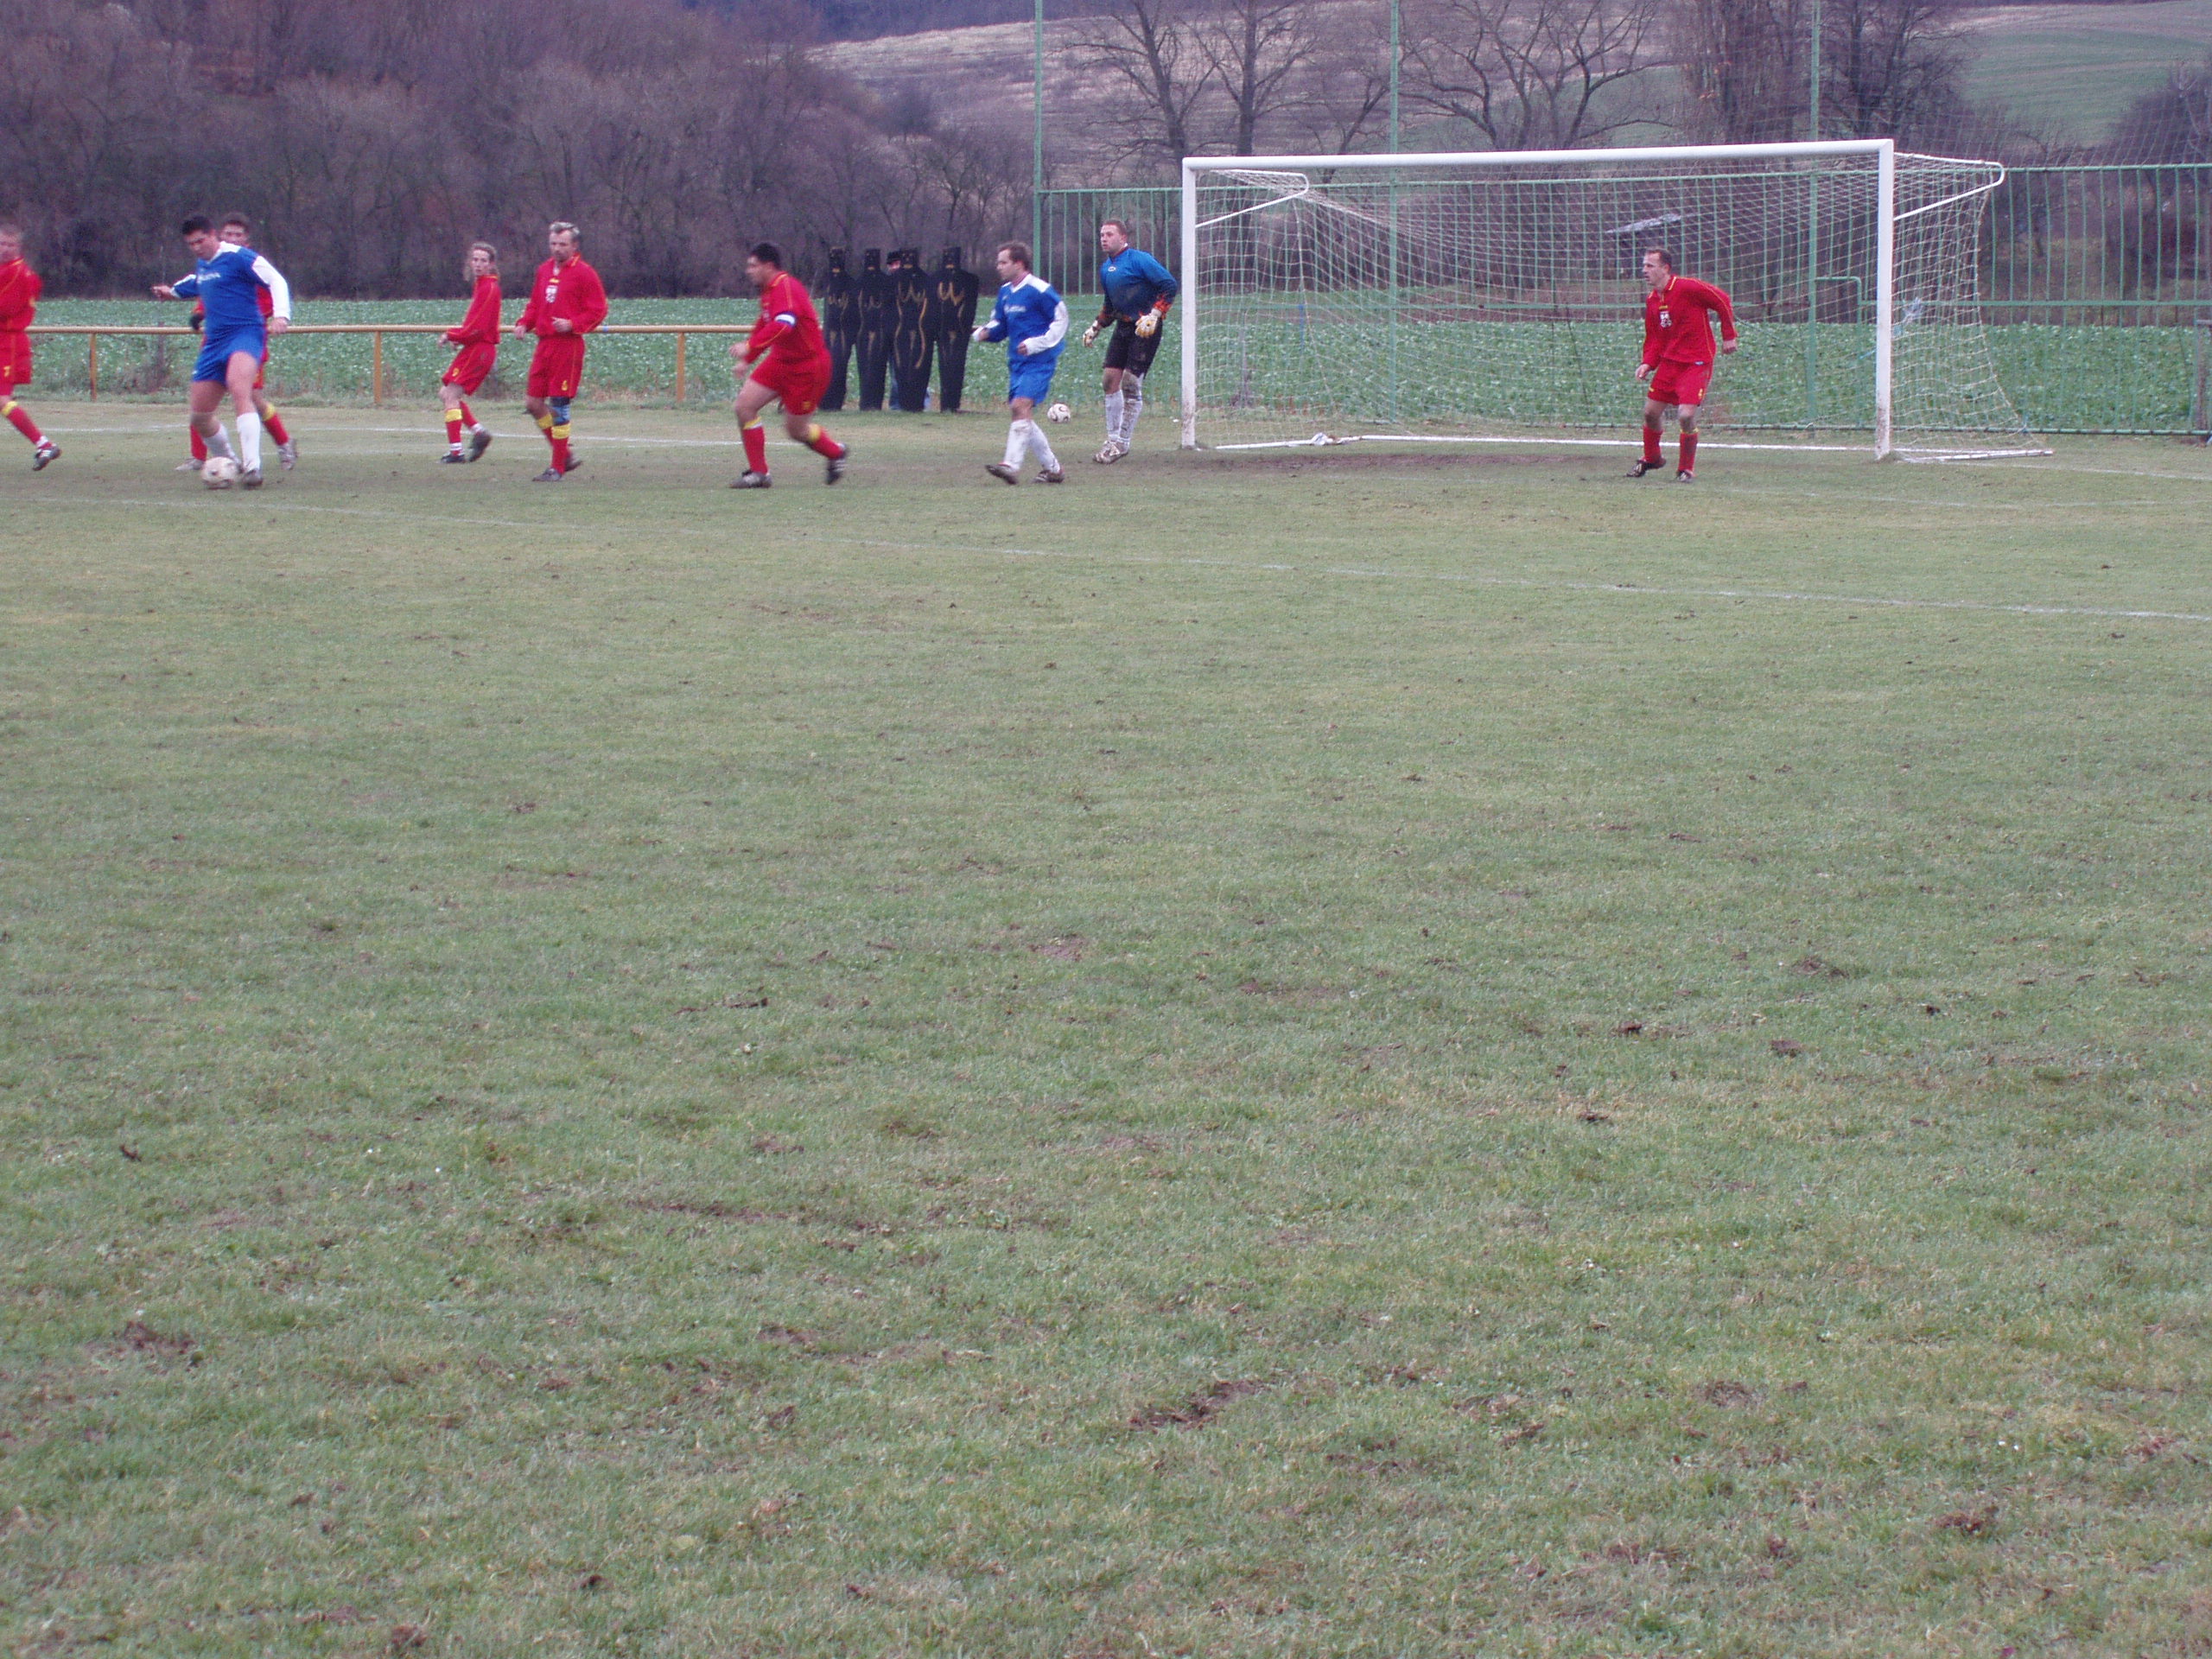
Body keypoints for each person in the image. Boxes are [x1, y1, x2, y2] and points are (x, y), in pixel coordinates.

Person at [153, 214, 291, 487]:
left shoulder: (240, 257)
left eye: (200, 241)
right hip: (214, 343)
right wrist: (172, 292)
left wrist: (281, 316)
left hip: (245, 335)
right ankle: (230, 463)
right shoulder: (204, 264)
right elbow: (196, 282)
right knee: (200, 416)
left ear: (213, 235)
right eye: (191, 243)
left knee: (241, 390)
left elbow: (276, 280)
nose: (196, 247)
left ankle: (253, 467)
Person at [728, 241, 848, 489]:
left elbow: (785, 324)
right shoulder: (768, 290)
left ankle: (836, 452)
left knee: (796, 431)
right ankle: (760, 474)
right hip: (780, 362)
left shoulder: (786, 286)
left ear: (768, 266)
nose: (748, 270)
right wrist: (747, 360)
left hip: (808, 368)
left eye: (753, 266)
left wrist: (750, 347)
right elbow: (766, 324)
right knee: (744, 407)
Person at [512, 221, 607, 482]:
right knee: (533, 403)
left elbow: (598, 310)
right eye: (553, 244)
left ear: (574, 246)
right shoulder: (543, 270)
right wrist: (524, 323)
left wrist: (573, 324)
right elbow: (535, 304)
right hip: (544, 344)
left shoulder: (585, 273)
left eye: (562, 244)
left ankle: (558, 467)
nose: (557, 249)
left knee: (560, 405)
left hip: (568, 346)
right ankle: (563, 453)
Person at [1630, 247, 1736, 482]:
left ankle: (1686, 469)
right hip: (1669, 363)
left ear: (1665, 268)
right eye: (1644, 265)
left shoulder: (1687, 287)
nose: (1644, 271)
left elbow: (1722, 299)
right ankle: (1652, 458)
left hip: (1696, 362)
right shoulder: (1652, 300)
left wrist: (1729, 335)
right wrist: (1648, 363)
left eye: (1650, 266)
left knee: (1686, 416)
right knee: (1650, 412)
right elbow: (1655, 337)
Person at [1080, 219, 1177, 463]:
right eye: (1102, 234)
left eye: (1109, 234)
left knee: (1130, 382)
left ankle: (1123, 442)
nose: (1104, 238)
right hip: (1123, 326)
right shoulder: (1106, 268)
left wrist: (1155, 315)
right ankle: (1112, 440)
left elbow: (1169, 285)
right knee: (1109, 380)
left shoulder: (1140, 259)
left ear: (1123, 237)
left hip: (1145, 327)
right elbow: (1111, 305)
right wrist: (1096, 327)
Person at [973, 242, 1068, 485]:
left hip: (1040, 361)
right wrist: (985, 332)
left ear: (1019, 264)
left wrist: (1037, 344)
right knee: (1021, 412)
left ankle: (1011, 466)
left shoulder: (1040, 290)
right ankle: (1053, 469)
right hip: (1016, 363)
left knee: (1020, 405)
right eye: (998, 262)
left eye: (1003, 262)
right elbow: (999, 325)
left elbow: (1061, 320)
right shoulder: (1005, 292)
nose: (999, 267)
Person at [0, 223, 60, 471]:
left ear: (19, 247)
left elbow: (5, 310)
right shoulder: (7, 271)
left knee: (2, 400)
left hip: (7, 343)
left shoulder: (18, 274)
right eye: (1, 243)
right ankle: (43, 444)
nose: (4, 248)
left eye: (10, 244)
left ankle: (43, 444)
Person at [439, 242, 502, 463]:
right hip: (474, 348)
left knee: (451, 396)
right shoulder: (482, 285)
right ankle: (479, 433)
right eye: (475, 260)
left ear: (491, 264)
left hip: (480, 349)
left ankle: (457, 452)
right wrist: (459, 336)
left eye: (483, 260)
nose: (478, 264)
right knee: (446, 393)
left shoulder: (489, 288)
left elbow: (478, 329)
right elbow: (473, 325)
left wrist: (453, 335)